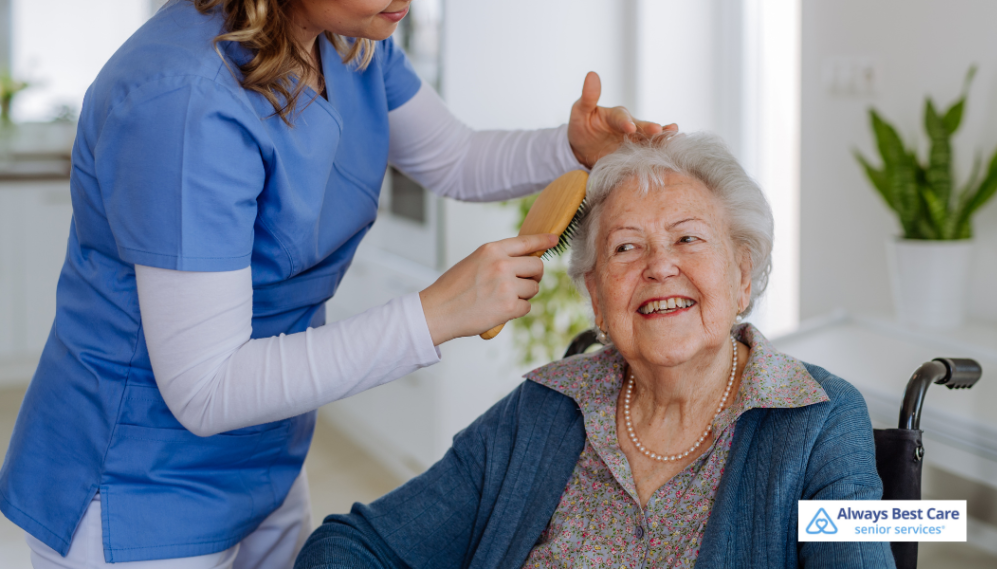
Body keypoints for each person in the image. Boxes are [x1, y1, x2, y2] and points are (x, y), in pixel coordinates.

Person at [0, 0, 675, 567]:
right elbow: (205, 388)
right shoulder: (182, 101)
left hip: (262, 453)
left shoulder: (347, 38)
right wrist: (435, 313)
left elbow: (456, 158)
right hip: (134, 489)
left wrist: (570, 147)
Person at [295, 133, 896, 569]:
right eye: (627, 248)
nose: (660, 266)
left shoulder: (818, 419)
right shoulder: (542, 410)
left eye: (688, 238)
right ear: (597, 300)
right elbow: (355, 546)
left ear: (743, 274)